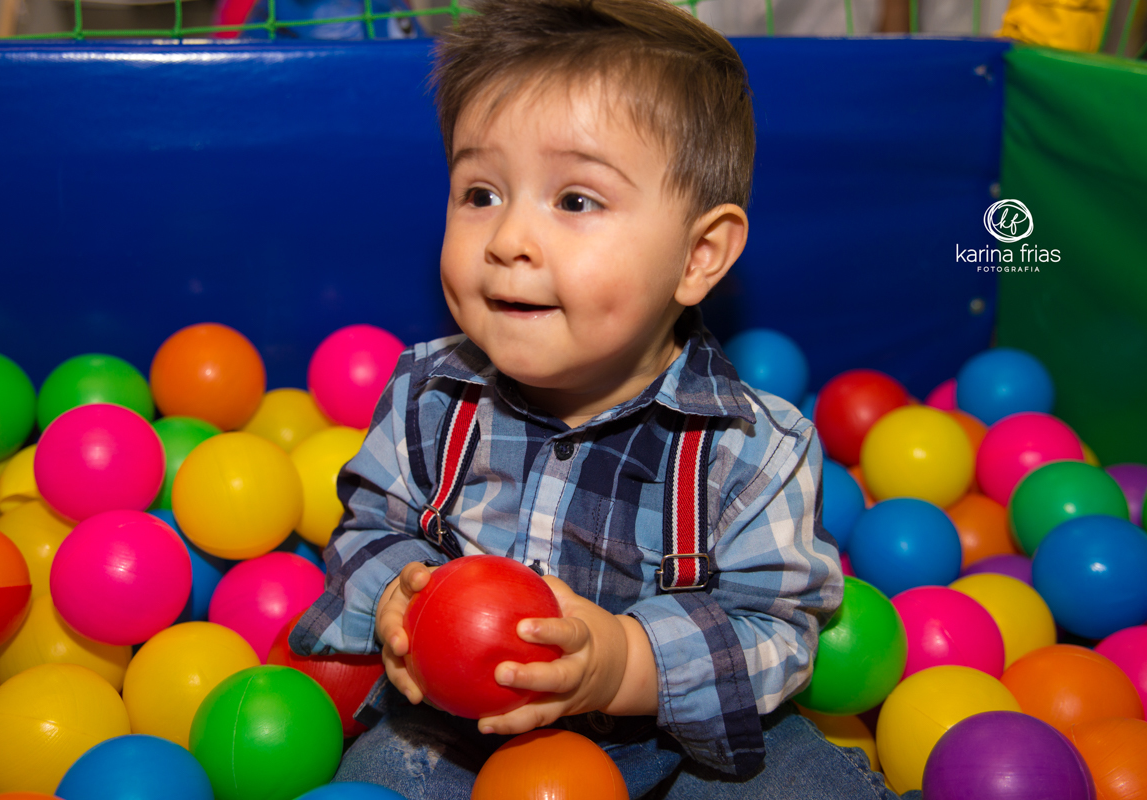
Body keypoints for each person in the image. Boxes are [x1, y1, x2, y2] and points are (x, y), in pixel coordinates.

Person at [290, 1, 901, 797]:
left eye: (575, 201)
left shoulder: (755, 447)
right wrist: (399, 603)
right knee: (377, 778)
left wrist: (623, 662)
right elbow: (369, 528)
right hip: (461, 724)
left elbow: (777, 631)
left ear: (698, 254)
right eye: (481, 193)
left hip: (681, 740)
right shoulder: (428, 394)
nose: (507, 240)